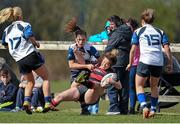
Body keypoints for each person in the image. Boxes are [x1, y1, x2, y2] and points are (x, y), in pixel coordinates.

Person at [0, 7, 54, 114]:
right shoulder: (24, 25)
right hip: (30, 55)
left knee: (30, 82)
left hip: (20, 60)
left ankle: (26, 103)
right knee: (46, 78)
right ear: (20, 16)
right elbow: (28, 35)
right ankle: (48, 103)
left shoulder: (7, 30)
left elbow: (5, 44)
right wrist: (36, 43)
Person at [126, 8, 172, 119]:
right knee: (154, 86)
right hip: (158, 61)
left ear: (142, 20)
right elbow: (167, 48)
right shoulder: (160, 31)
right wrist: (170, 63)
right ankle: (153, 109)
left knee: (139, 85)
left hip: (145, 60)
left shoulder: (138, 31)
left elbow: (132, 50)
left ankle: (144, 106)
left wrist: (130, 63)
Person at [47, 51, 121, 113]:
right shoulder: (95, 65)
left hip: (92, 95)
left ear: (111, 65)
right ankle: (46, 109)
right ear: (102, 59)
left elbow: (119, 86)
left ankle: (86, 83)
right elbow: (82, 62)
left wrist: (112, 82)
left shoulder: (111, 74)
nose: (104, 64)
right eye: (104, 61)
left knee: (96, 85)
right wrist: (74, 86)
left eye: (107, 64)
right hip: (82, 89)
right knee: (60, 96)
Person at [65, 17, 101, 115]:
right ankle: (85, 109)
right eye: (79, 40)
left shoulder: (90, 47)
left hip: (88, 72)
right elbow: (71, 65)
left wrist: (94, 65)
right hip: (76, 72)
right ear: (75, 39)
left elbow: (99, 60)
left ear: (86, 39)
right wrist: (86, 66)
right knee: (75, 91)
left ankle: (90, 105)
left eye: (83, 39)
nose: (81, 42)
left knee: (79, 89)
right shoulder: (72, 48)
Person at [105, 15, 133, 115]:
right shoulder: (129, 30)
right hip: (127, 61)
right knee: (124, 87)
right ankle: (123, 109)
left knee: (112, 85)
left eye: (112, 24)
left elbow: (109, 48)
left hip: (117, 61)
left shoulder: (117, 32)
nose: (110, 26)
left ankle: (113, 109)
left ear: (116, 24)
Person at [126, 18, 140, 114]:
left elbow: (133, 50)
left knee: (132, 87)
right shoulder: (133, 35)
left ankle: (132, 108)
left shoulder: (135, 35)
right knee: (134, 87)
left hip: (135, 64)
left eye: (128, 26)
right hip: (138, 64)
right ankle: (131, 108)